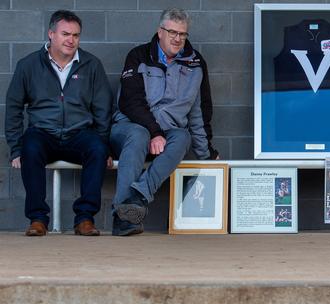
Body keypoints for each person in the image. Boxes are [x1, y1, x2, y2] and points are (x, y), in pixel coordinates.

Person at [4, 10, 113, 236]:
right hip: (43, 133)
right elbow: (14, 108)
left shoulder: (91, 64)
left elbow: (103, 109)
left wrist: (105, 146)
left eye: (76, 35)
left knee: (98, 148)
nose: (71, 40)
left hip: (79, 134)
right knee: (30, 147)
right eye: (65, 34)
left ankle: (85, 219)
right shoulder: (29, 65)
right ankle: (37, 219)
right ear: (51, 34)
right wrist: (16, 148)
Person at [110, 8, 218, 236]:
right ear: (160, 32)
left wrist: (206, 154)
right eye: (172, 32)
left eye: (183, 34)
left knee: (183, 136)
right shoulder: (138, 56)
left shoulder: (195, 63)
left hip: (168, 134)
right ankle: (123, 218)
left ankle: (136, 198)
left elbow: (198, 113)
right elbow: (131, 102)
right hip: (129, 128)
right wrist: (154, 132)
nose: (177, 38)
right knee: (138, 135)